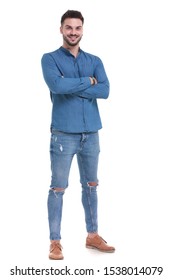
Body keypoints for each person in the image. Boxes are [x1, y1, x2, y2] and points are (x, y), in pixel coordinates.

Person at [41, 10, 115, 260]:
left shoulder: (94, 59)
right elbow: (57, 86)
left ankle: (92, 235)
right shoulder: (49, 59)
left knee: (92, 186)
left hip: (91, 133)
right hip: (63, 134)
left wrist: (75, 86)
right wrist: (88, 82)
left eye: (78, 28)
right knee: (58, 188)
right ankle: (55, 241)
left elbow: (105, 91)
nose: (73, 32)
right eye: (69, 27)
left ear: (83, 30)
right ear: (61, 29)